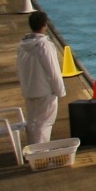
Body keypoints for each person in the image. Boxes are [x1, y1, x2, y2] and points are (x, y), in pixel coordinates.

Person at [16, 11, 67, 146]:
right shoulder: (45, 46)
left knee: (33, 123)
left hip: (29, 90)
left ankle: (33, 150)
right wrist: (60, 91)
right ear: (45, 25)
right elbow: (53, 70)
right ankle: (41, 154)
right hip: (44, 92)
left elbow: (20, 69)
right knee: (45, 124)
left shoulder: (22, 45)